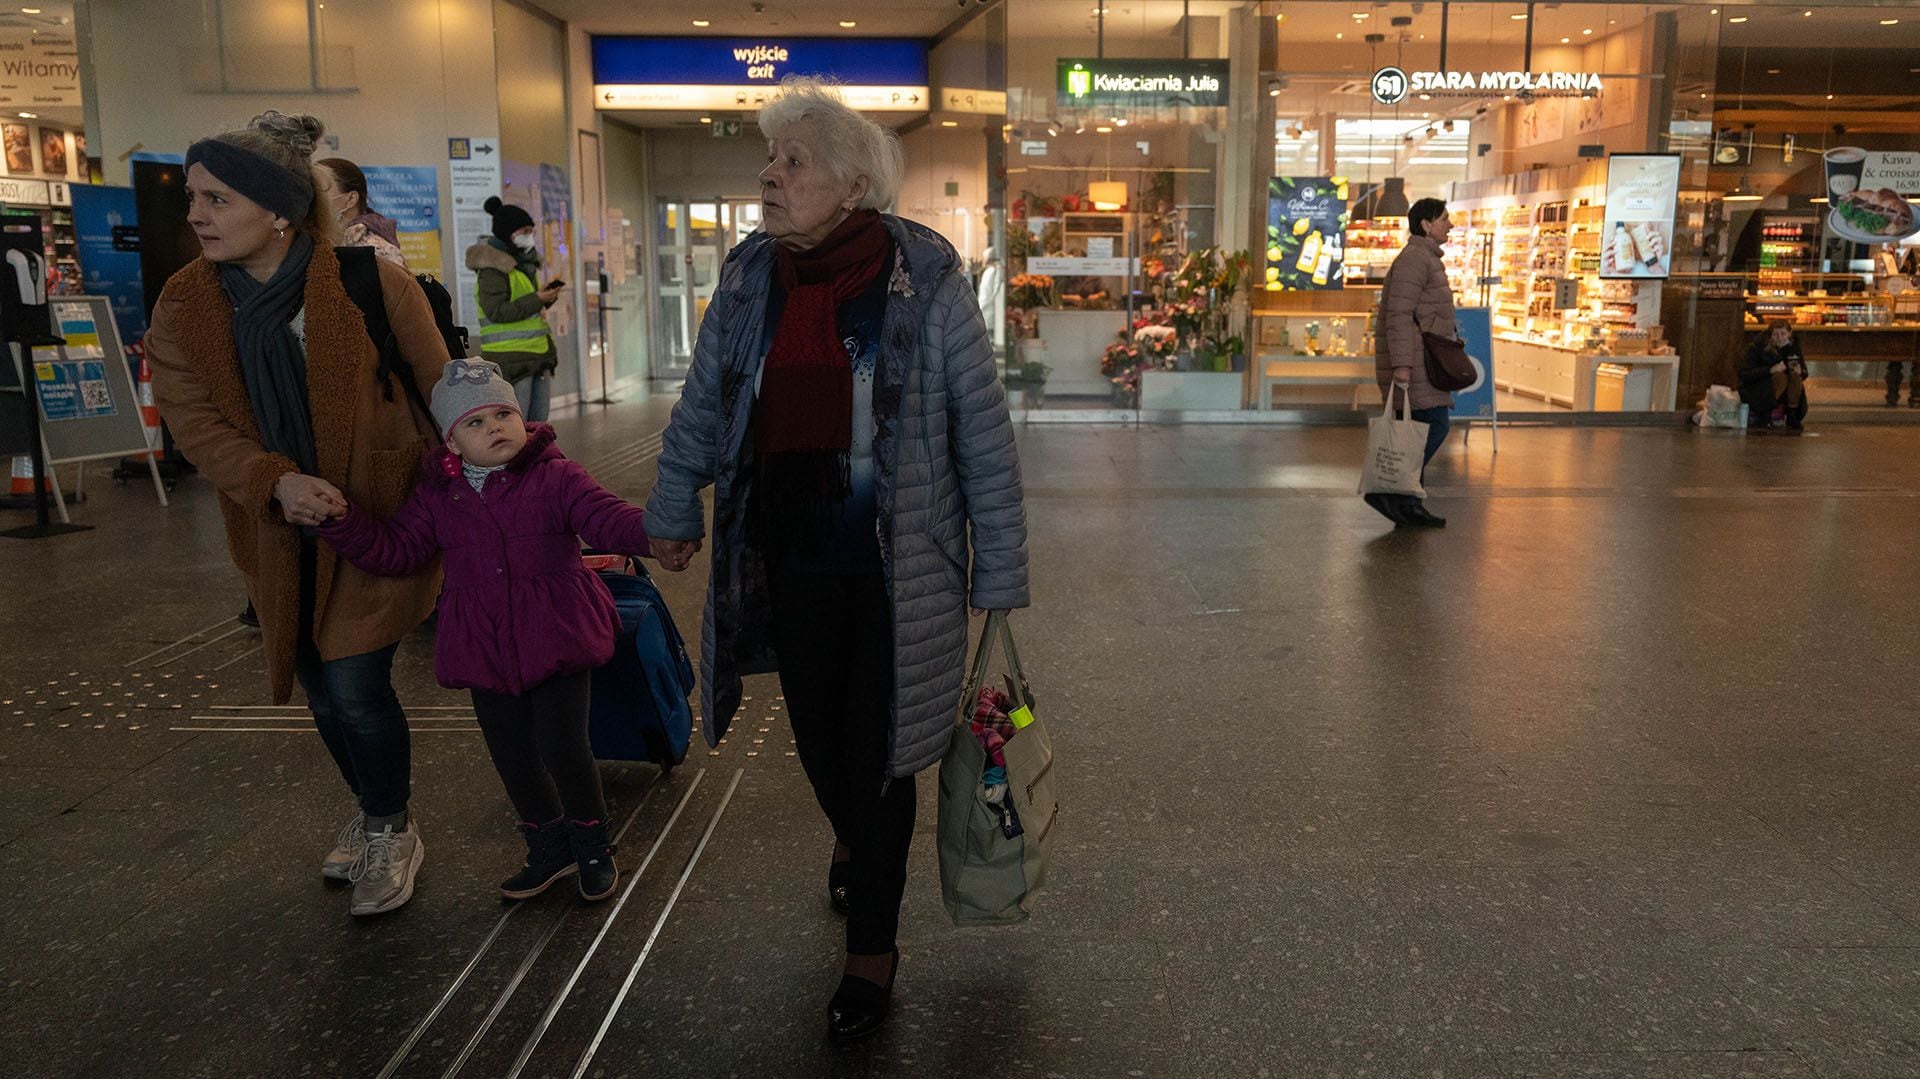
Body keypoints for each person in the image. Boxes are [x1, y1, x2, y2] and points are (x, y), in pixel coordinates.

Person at [645, 75, 1029, 1045]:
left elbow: (982, 431)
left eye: (792, 162)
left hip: (905, 568)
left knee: (887, 749)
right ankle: (854, 832)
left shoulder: (924, 274)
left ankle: (871, 950)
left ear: (854, 184)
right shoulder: (746, 276)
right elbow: (704, 401)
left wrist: (1002, 571)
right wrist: (669, 501)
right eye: (769, 160)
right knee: (819, 738)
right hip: (786, 554)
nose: (770, 177)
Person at [146, 111, 449, 916]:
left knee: (354, 681)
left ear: (278, 210)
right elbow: (194, 419)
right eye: (194, 198)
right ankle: (373, 805)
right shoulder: (185, 304)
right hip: (277, 528)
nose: (196, 215)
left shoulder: (371, 283)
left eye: (216, 198)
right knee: (314, 684)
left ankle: (391, 825)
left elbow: (441, 384)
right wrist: (273, 480)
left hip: (377, 518)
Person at [316, 358, 680, 902]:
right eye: (477, 422)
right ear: (453, 441)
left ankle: (594, 848)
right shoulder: (439, 496)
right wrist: (341, 521)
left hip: (555, 633)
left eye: (504, 413)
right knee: (511, 755)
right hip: (483, 644)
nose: (497, 428)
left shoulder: (558, 476)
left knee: (564, 747)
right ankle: (548, 849)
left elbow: (606, 516)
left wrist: (662, 531)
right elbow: (397, 550)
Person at [1367, 197, 1457, 529]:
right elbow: (1399, 316)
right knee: (1433, 425)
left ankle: (1408, 499)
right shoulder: (1415, 260)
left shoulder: (1425, 258)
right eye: (1445, 219)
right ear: (1426, 224)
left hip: (1424, 360)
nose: (1451, 224)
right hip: (1416, 363)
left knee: (1418, 429)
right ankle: (1395, 494)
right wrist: (1402, 364)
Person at [467, 197, 562, 421]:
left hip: (537, 355)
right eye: (524, 231)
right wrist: (536, 299)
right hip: (511, 359)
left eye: (531, 230)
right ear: (507, 233)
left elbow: (525, 307)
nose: (529, 236)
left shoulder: (524, 265)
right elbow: (497, 311)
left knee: (538, 424)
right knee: (517, 426)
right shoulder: (493, 268)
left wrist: (544, 298)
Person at [317, 157, 406, 268]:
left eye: (321, 190)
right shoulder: (317, 243)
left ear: (351, 199)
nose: (314, 197)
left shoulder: (378, 251)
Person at [1739, 320, 1809, 431]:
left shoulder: (1793, 348)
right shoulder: (1758, 348)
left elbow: (1804, 373)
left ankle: (1792, 414)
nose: (1780, 338)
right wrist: (1770, 370)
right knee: (1781, 377)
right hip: (1762, 387)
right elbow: (1746, 374)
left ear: (1789, 334)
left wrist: (1801, 372)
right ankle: (1766, 412)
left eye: (1783, 334)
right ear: (1770, 335)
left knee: (1795, 377)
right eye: (1776, 334)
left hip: (1788, 390)